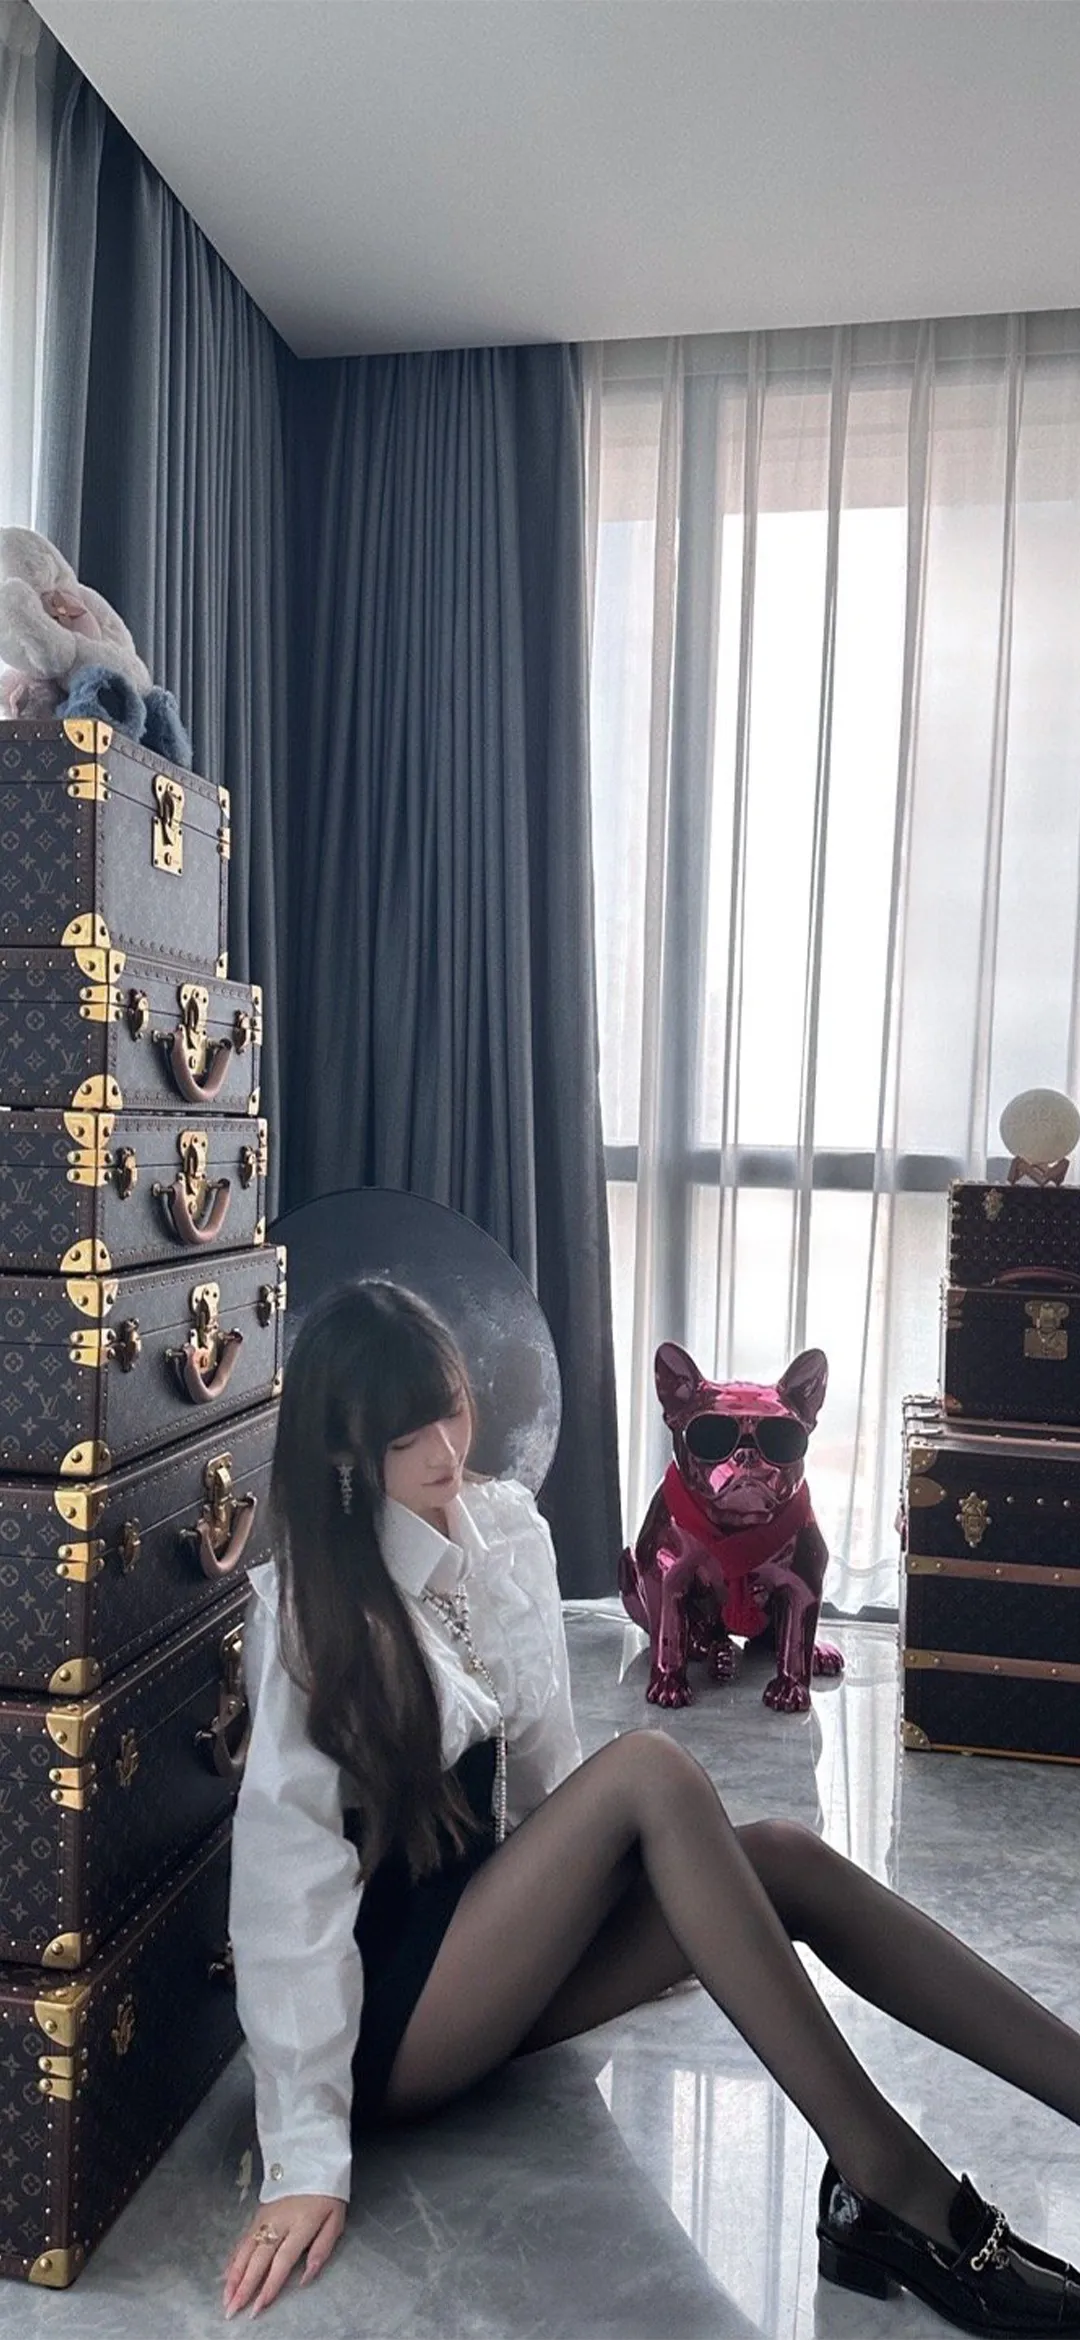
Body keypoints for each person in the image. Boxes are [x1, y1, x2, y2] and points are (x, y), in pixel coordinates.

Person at [223, 1281, 1080, 2334]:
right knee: (648, 1769)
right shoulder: (306, 1611)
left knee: (780, 1854)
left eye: (453, 1411)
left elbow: (548, 1782)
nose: (446, 1452)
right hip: (395, 2022)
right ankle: (894, 2183)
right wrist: (303, 2158)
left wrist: (672, 1910)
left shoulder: (502, 1529)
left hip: (494, 1952)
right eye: (409, 1441)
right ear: (345, 1452)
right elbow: (287, 1897)